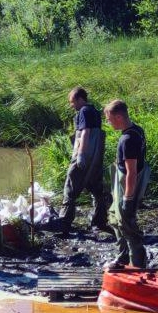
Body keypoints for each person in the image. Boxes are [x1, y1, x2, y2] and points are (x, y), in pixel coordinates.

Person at [104, 99, 149, 269]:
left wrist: (128, 199)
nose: (108, 123)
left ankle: (137, 263)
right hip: (122, 183)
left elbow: (131, 171)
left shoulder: (128, 139)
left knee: (127, 224)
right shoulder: (137, 129)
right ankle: (122, 257)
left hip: (127, 186)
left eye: (109, 119)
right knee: (115, 219)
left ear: (119, 117)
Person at [58, 86, 109, 234]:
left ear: (80, 99)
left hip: (84, 156)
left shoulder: (84, 111)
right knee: (96, 189)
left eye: (72, 102)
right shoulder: (94, 111)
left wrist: (80, 154)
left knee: (70, 188)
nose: (71, 105)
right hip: (95, 158)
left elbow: (85, 132)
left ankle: (64, 223)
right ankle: (99, 221)